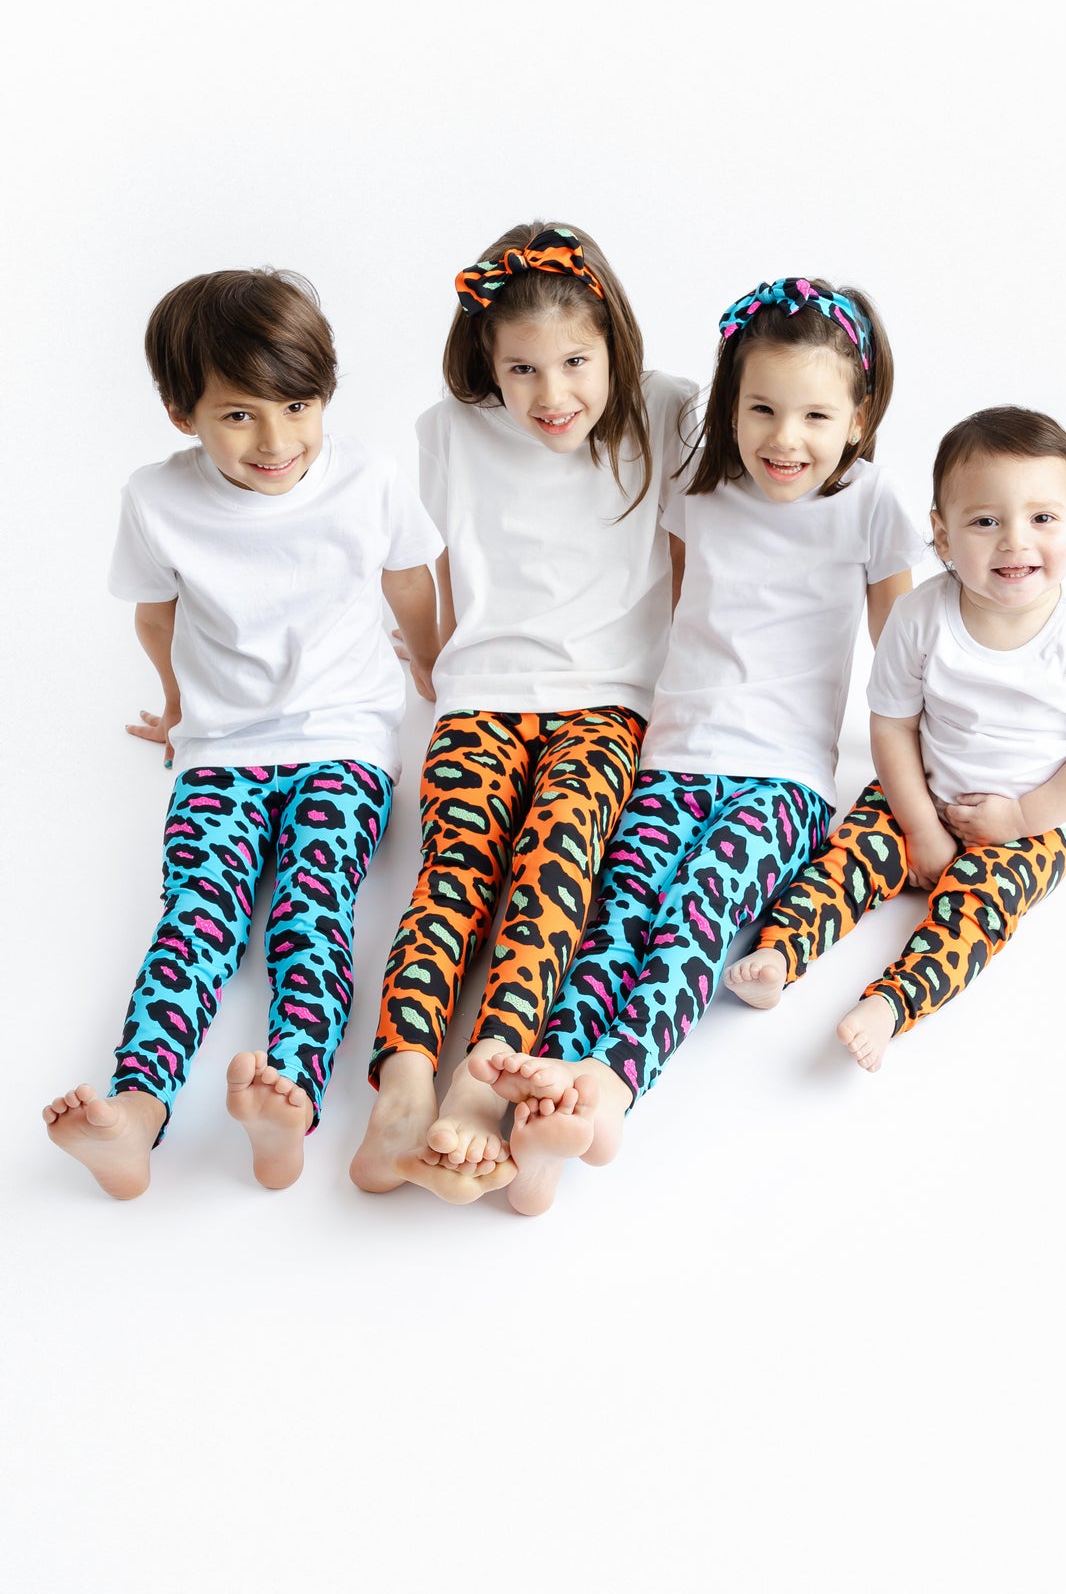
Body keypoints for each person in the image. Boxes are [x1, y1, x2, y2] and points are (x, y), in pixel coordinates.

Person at [476, 275, 924, 1214]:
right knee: (613, 922)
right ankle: (548, 1099)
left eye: (815, 415)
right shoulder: (700, 484)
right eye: (761, 409)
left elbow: (901, 652)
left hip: (783, 781)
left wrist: (924, 785)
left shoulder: (871, 501)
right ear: (729, 403)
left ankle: (610, 1091)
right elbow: (677, 603)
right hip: (671, 758)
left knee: (693, 922)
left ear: (859, 415)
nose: (784, 438)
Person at [43, 268, 440, 1197]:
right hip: (222, 751)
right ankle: (135, 1113)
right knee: (196, 917)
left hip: (342, 744)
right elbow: (155, 616)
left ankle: (288, 1102)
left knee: (313, 911)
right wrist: (179, 707)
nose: (276, 442)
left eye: (298, 407)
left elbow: (409, 579)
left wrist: (427, 662)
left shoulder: (368, 480)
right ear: (181, 413)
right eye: (238, 416)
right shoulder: (156, 499)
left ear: (325, 395)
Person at [349, 222, 695, 1204]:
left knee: (556, 874)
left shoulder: (666, 409)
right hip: (482, 695)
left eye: (576, 362)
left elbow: (694, 548)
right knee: (454, 867)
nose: (552, 395)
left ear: (614, 346)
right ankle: (402, 1088)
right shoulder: (448, 429)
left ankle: (479, 1085)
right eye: (522, 369)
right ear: (487, 361)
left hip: (608, 704)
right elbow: (424, 559)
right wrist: (429, 657)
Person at [723, 406, 1066, 1069]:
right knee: (842, 859)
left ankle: (892, 1004)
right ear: (942, 535)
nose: (1015, 542)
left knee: (979, 910)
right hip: (918, 793)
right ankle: (779, 952)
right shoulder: (921, 616)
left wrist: (1020, 818)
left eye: (1043, 518)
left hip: (1030, 824)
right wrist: (919, 825)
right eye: (985, 521)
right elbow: (892, 724)